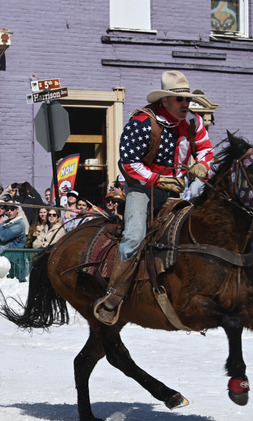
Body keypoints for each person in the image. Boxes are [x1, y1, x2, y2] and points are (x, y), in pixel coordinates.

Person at [94, 70, 214, 325]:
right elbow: (128, 162)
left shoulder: (193, 122)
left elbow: (205, 149)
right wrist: (158, 180)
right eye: (180, 100)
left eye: (187, 100)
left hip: (180, 191)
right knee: (135, 234)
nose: (185, 104)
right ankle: (114, 296)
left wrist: (202, 165)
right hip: (142, 190)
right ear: (165, 101)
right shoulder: (142, 121)